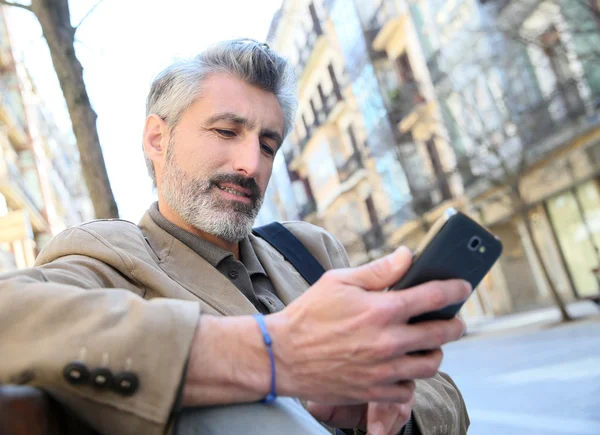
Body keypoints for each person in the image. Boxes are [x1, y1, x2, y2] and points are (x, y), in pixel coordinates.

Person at [0, 39, 470, 435]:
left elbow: (439, 390)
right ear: (157, 140)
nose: (252, 164)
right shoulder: (106, 255)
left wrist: (381, 413)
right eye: (226, 131)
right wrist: (272, 355)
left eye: (268, 144)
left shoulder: (309, 249)